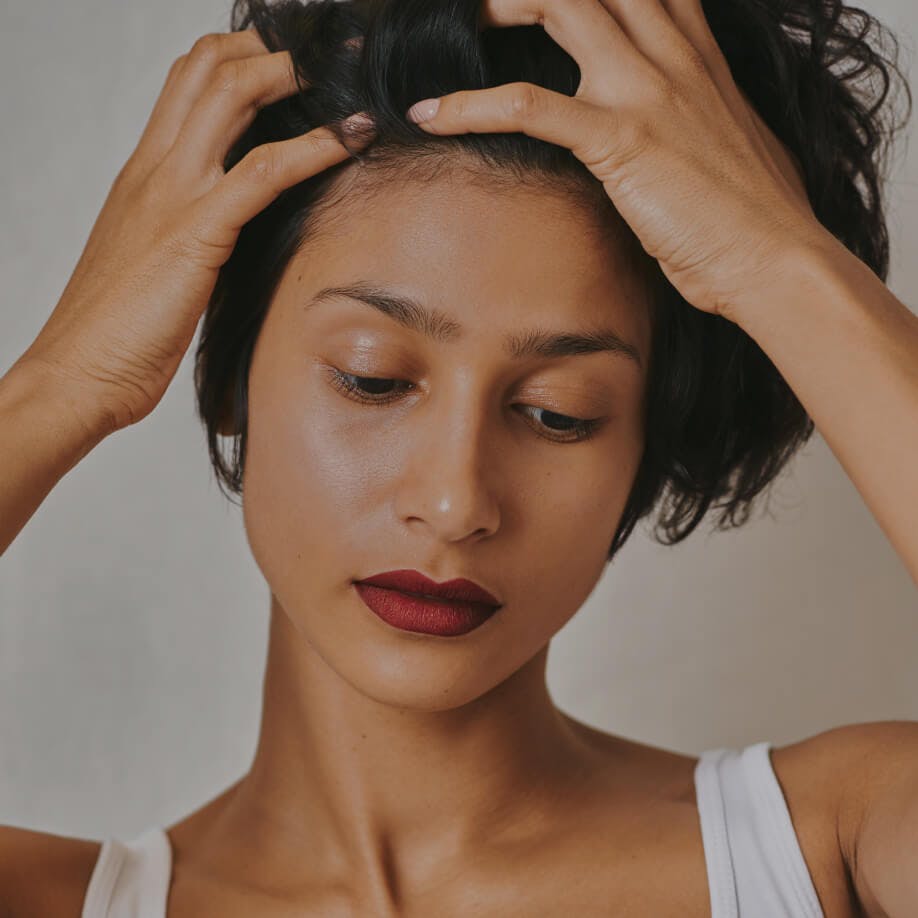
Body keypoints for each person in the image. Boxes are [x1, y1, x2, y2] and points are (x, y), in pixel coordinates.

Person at [1, 0, 916, 914]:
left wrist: (779, 262)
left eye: (559, 415)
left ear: (644, 448)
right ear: (228, 376)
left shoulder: (831, 847)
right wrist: (67, 380)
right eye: (372, 380)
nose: (454, 502)